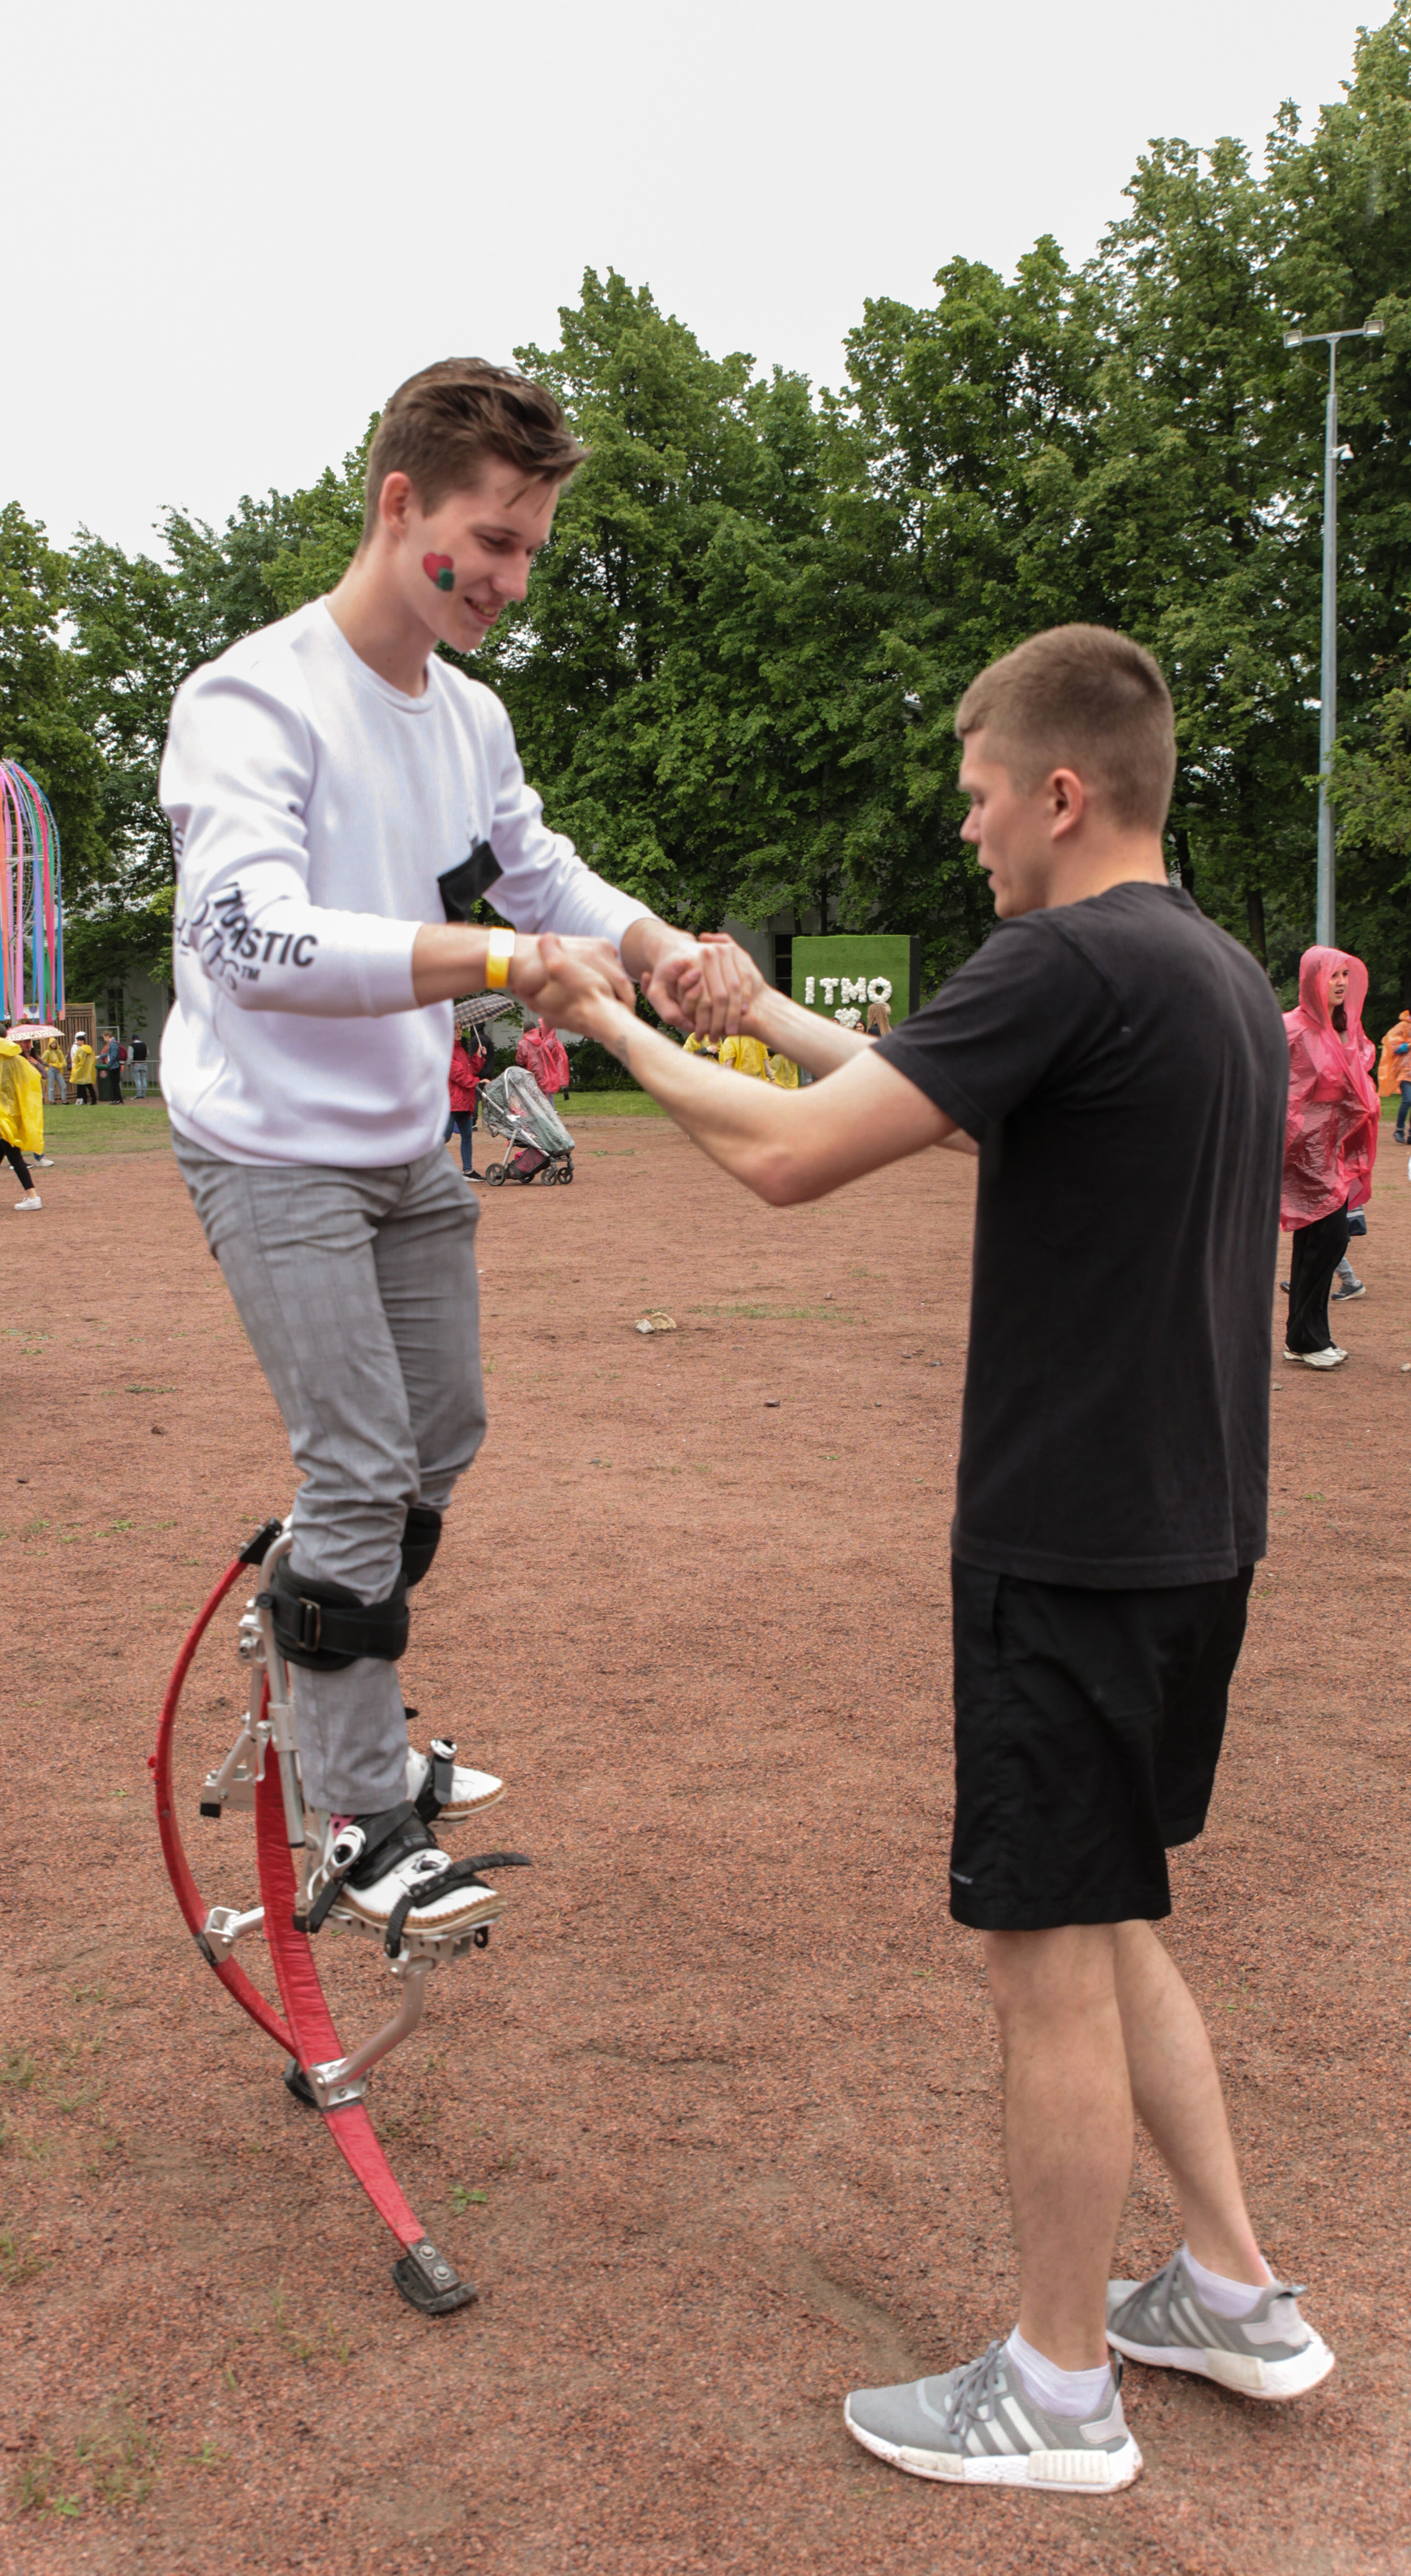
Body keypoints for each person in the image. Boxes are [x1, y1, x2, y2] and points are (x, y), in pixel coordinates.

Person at [547, 624, 1333, 2499]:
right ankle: (1231, 2291)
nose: (971, 832)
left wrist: (613, 1026)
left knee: (1046, 1945)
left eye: (981, 797)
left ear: (1061, 794)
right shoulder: (1203, 969)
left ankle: (1059, 2389)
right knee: (1113, 1904)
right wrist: (747, 1013)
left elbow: (794, 1163)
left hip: (1070, 1544)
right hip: (1188, 1532)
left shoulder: (1061, 956)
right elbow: (921, 1086)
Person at [159, 354, 747, 1950]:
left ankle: (328, 1652)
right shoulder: (251, 699)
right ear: (398, 499)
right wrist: (495, 966)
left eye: (532, 553)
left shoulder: (468, 716)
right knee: (355, 1468)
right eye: (488, 540)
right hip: (268, 1140)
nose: (508, 580)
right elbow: (251, 937)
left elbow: (531, 866)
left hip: (397, 1135)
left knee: (440, 1438)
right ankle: (358, 1812)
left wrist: (651, 943)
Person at [1281, 949, 1379, 1371]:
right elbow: (1279, 1087)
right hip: (1305, 1151)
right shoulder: (1290, 1028)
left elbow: (1356, 1074)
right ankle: (1306, 1339)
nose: (1340, 982)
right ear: (1311, 980)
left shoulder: (1346, 1029)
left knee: (1318, 1242)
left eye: (1345, 974)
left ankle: (1304, 1338)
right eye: (1331, 976)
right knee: (1327, 1239)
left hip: (1333, 1148)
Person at [0, 1031, 45, 1209]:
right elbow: (33, 1077)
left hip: (2, 1113)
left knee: (14, 1155)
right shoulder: (16, 1058)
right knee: (8, 1150)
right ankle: (32, 1196)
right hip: (14, 1112)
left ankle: (33, 1197)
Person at [446, 1024, 484, 1177]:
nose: (459, 1031)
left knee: (467, 1136)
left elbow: (469, 1071)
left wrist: (478, 1058)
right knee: (444, 1137)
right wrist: (476, 1082)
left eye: (461, 1028)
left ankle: (468, 1170)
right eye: (455, 1028)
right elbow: (458, 1075)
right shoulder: (446, 1050)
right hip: (452, 1102)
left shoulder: (460, 1049)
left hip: (464, 1101)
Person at [1377, 1004, 1411, 1141]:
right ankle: (1399, 1130)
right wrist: (1409, 1045)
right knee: (1408, 1099)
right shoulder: (1402, 1026)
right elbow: (1394, 1047)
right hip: (1404, 1071)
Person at [96, 1030, 123, 1104]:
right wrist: (99, 1056)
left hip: (114, 1066)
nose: (104, 1039)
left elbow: (113, 1056)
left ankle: (118, 1099)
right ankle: (117, 1099)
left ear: (108, 1036)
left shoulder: (112, 1044)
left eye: (104, 1038)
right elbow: (109, 1054)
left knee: (115, 1084)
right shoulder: (114, 1043)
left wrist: (109, 1064)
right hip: (115, 1066)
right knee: (115, 1083)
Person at [40, 1034, 66, 1105]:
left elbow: (63, 1060)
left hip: (58, 1069)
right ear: (50, 1044)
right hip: (51, 1070)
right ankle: (52, 1101)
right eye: (52, 1043)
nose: (54, 1045)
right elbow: (42, 1060)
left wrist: (62, 1064)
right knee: (51, 1086)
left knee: (63, 1085)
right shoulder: (48, 1052)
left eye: (55, 1043)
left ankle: (64, 1100)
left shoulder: (59, 1052)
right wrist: (48, 1064)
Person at [130, 1030, 150, 1098]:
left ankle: (139, 1095)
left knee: (137, 1080)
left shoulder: (132, 1046)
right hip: (144, 1063)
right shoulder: (144, 1045)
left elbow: (130, 1057)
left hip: (136, 1064)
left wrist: (128, 1064)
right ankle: (144, 1095)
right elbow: (147, 1054)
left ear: (133, 1039)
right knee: (143, 1079)